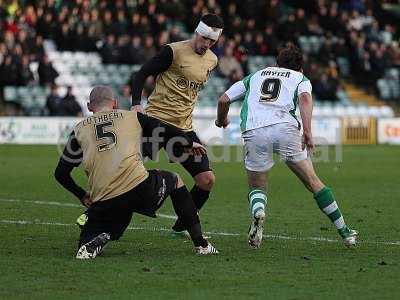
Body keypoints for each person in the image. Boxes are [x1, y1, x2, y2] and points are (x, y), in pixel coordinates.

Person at [215, 44, 358, 248]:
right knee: (313, 181)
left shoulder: (255, 76)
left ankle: (258, 213)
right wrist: (307, 131)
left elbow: (223, 99)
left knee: (257, 185)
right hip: (285, 129)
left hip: (254, 130)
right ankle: (345, 232)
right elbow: (306, 98)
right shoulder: (300, 79)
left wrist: (221, 121)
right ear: (300, 68)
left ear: (276, 63)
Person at [54, 86, 218, 259]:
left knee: (86, 243)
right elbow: (163, 128)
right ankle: (202, 244)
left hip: (104, 197)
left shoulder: (79, 130)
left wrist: (82, 195)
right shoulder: (132, 117)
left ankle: (97, 238)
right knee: (175, 180)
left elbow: (61, 173)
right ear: (115, 103)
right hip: (139, 188)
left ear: (89, 106)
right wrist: (188, 143)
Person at [130, 14, 224, 234]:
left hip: (183, 128)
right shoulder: (173, 51)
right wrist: (136, 104)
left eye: (212, 42)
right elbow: (141, 74)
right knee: (125, 170)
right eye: (204, 39)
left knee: (206, 180)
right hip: (156, 123)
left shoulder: (212, 60)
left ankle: (183, 223)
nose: (207, 45)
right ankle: (94, 213)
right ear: (197, 33)